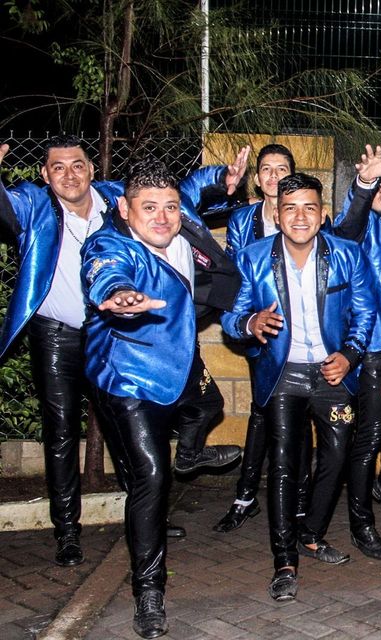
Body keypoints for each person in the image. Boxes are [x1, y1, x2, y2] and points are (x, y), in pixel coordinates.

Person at [0, 137, 242, 567]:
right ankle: (67, 532)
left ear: (92, 169)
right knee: (61, 432)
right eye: (58, 167)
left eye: (78, 164)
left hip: (116, 338)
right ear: (44, 174)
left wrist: (223, 177)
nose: (69, 175)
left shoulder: (117, 197)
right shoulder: (33, 204)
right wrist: (117, 292)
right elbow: (9, 212)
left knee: (125, 433)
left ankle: (147, 513)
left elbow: (183, 190)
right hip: (58, 336)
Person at [81, 157, 241, 639]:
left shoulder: (179, 213)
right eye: (148, 207)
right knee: (151, 478)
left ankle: (189, 452)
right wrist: (120, 295)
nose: (163, 217)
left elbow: (195, 184)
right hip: (127, 375)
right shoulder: (109, 243)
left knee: (211, 407)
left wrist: (222, 178)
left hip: (180, 357)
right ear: (124, 209)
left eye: (170, 207)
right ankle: (148, 591)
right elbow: (104, 270)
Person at [221, 172, 376, 601]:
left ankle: (310, 533)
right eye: (290, 208)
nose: (300, 216)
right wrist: (249, 323)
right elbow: (230, 317)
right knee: (285, 465)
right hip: (283, 374)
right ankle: (284, 561)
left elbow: (365, 312)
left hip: (332, 373)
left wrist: (350, 355)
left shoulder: (347, 254)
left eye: (309, 207)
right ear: (277, 213)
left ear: (323, 214)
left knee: (337, 457)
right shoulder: (252, 258)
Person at [324, 145, 381, 560]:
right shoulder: (362, 228)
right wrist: (363, 185)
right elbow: (344, 231)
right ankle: (361, 524)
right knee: (371, 434)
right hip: (371, 348)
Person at [214, 143, 312, 534]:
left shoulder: (304, 214)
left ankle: (295, 500)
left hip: (304, 332)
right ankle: (247, 495)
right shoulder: (243, 218)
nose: (274, 176)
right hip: (262, 328)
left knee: (297, 414)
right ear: (257, 178)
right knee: (262, 408)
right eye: (267, 169)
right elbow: (236, 269)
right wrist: (249, 319)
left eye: (281, 169)